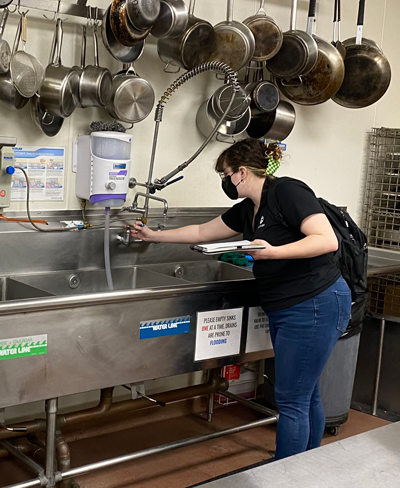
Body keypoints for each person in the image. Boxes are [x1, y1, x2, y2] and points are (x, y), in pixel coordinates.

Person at [131, 139, 351, 460]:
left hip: (314, 304)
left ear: (242, 173)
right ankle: (308, 468)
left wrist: (272, 252)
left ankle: (284, 476)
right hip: (288, 307)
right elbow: (202, 233)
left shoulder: (287, 193)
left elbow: (325, 239)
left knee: (291, 400)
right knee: (305, 393)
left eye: (226, 174)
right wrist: (153, 236)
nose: (225, 181)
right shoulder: (250, 209)